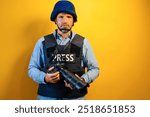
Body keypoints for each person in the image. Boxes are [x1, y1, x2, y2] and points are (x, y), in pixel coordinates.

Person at [28, 0, 99, 100]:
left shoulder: (83, 42)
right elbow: (32, 68)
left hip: (75, 99)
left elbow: (95, 69)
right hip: (48, 99)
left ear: (73, 21)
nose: (65, 21)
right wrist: (44, 78)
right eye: (61, 17)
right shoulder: (42, 42)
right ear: (55, 20)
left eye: (69, 17)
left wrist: (83, 79)